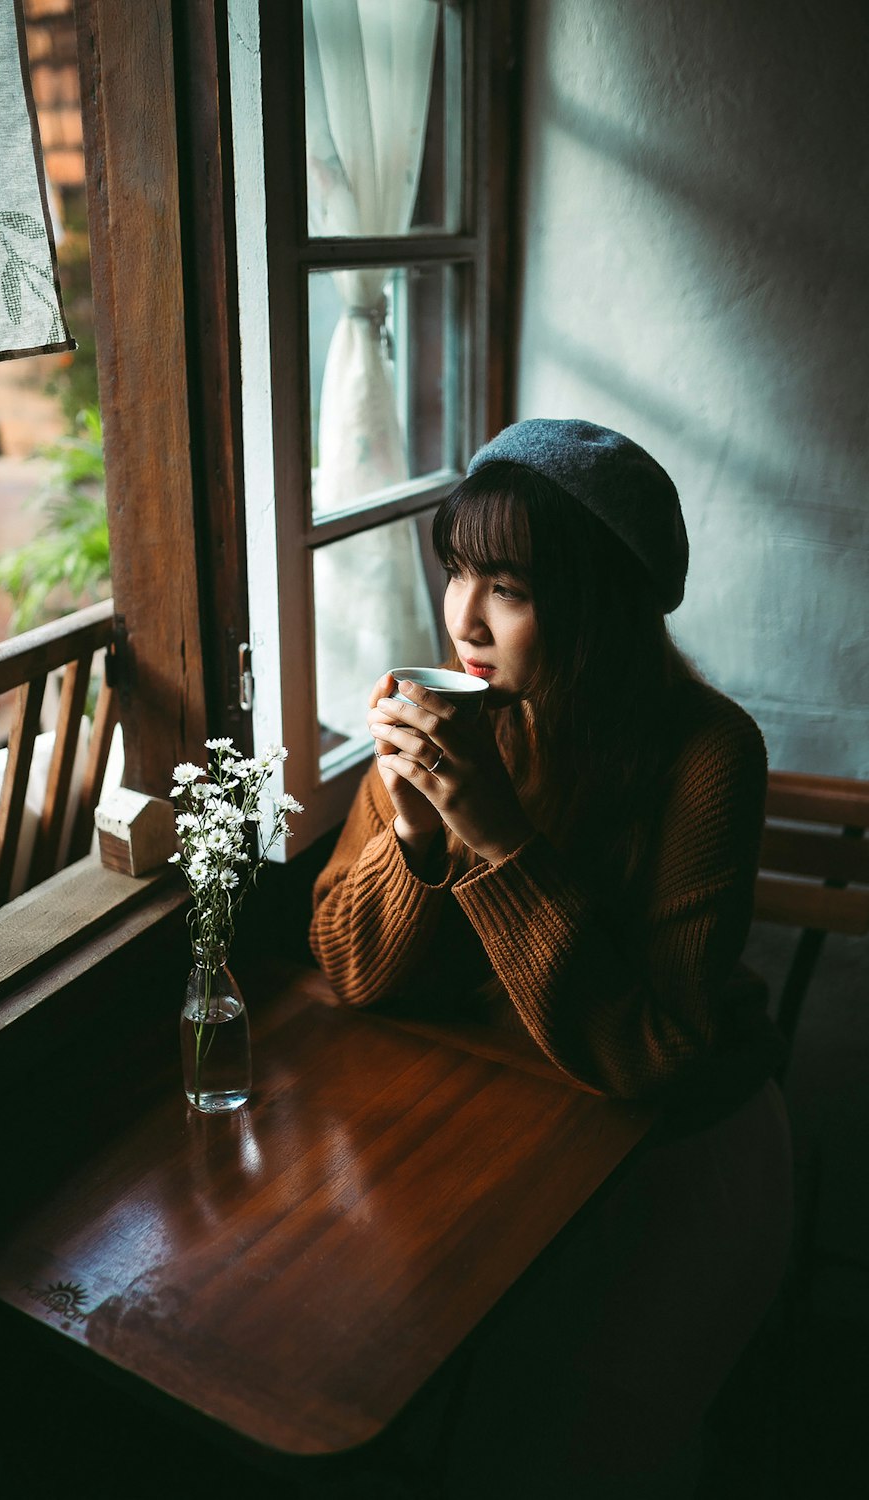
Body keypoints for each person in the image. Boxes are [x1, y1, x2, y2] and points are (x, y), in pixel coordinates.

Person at [309, 419, 793, 1497]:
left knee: (582, 1446)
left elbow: (661, 1051)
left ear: (597, 604)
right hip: (511, 1124)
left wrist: (500, 843)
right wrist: (418, 832)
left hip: (680, 1144)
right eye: (456, 573)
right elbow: (352, 966)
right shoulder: (449, 712)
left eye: (511, 589)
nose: (463, 619)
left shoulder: (706, 751)